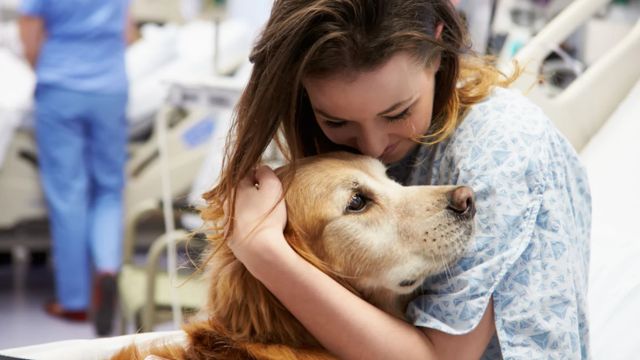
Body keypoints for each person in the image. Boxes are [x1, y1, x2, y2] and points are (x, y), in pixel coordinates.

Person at [206, 0, 591, 358]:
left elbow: (438, 357)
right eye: (336, 121)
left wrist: (263, 251)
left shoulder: (503, 145)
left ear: (439, 51)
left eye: (396, 113)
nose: (372, 147)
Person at [18, 0, 134, 336]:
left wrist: (47, 69)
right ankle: (109, 270)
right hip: (111, 87)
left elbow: (29, 33)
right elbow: (126, 33)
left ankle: (75, 302)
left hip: (60, 85)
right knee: (109, 189)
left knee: (68, 193)